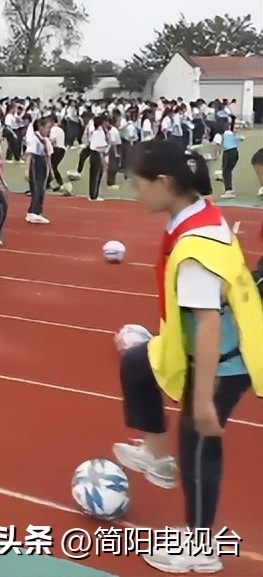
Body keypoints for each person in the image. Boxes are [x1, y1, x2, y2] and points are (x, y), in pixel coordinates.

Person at [111, 141, 261, 574]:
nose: (134, 192)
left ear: (165, 184)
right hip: (197, 348)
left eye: (138, 185)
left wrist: (203, 401)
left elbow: (210, 324)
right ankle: (157, 459)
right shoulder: (194, 214)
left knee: (199, 447)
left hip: (221, 361)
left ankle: (201, 547)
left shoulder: (197, 248)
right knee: (137, 362)